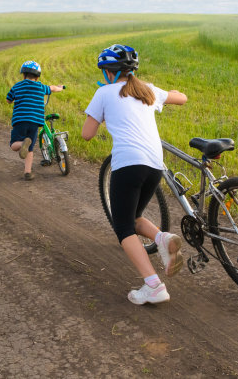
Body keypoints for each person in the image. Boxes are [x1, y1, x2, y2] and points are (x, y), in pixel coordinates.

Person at [82, 44, 187, 305]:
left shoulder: (103, 92)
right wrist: (166, 93)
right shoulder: (147, 90)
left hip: (128, 164)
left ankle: (153, 286)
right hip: (154, 165)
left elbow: (86, 134)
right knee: (134, 216)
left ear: (109, 72)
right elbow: (181, 98)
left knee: (123, 229)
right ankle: (163, 238)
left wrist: (106, 115)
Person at [7, 60, 64, 181]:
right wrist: (60, 88)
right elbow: (52, 88)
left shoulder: (17, 86)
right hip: (35, 121)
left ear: (23, 75)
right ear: (37, 77)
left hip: (20, 120)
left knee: (13, 145)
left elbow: (8, 99)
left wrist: (12, 100)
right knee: (30, 148)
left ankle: (22, 144)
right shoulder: (41, 87)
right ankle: (27, 172)